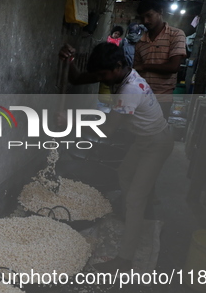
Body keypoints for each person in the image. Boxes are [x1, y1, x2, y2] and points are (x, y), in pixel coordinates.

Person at [59, 42, 174, 272]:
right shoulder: (118, 75)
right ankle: (133, 216)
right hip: (143, 141)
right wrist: (69, 61)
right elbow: (78, 79)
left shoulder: (129, 89)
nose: (101, 78)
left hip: (157, 143)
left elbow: (107, 131)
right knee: (124, 174)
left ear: (118, 65)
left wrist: (70, 121)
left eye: (103, 74)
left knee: (135, 198)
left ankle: (125, 259)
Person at [134, 0, 186, 119]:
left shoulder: (176, 34)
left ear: (160, 12)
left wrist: (144, 66)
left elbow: (174, 67)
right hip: (141, 97)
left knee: (157, 133)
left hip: (163, 98)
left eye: (149, 15)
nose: (145, 21)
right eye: (142, 18)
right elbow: (137, 73)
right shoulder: (140, 42)